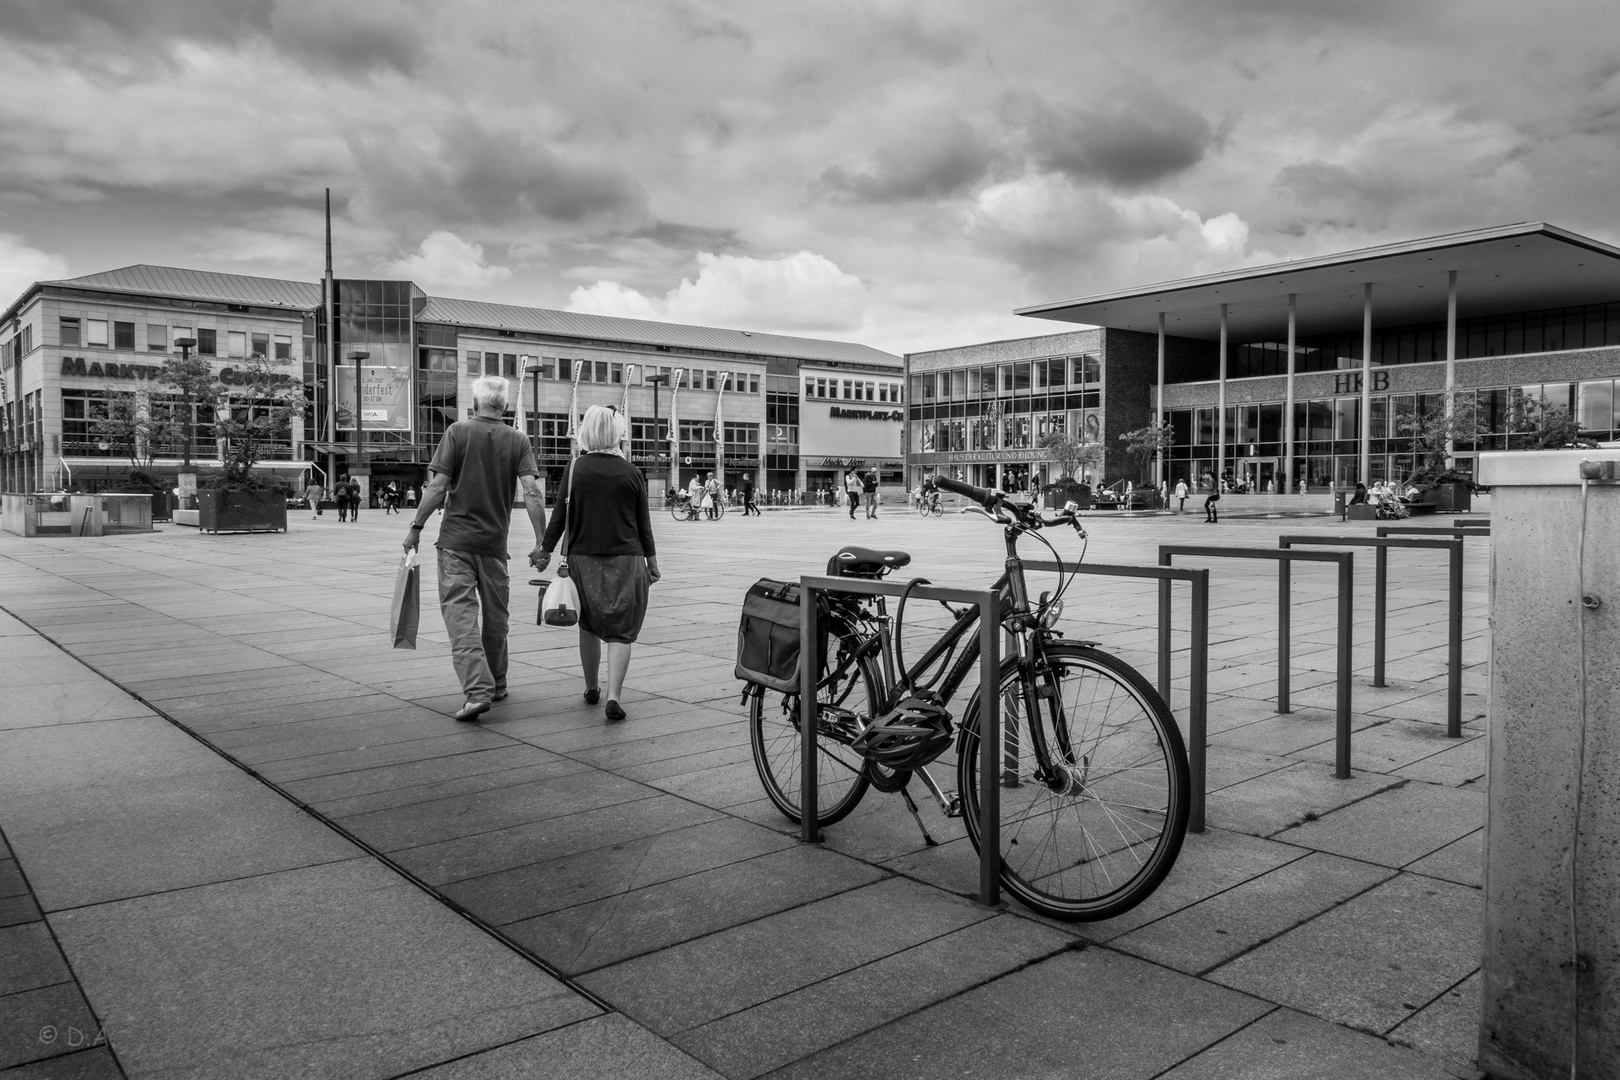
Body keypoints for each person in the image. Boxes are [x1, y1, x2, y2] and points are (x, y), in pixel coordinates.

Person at [402, 375, 545, 723]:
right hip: (494, 547)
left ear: (474, 403)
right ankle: (496, 684)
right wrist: (542, 542)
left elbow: (437, 487)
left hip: (455, 544)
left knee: (461, 619)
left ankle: (477, 692)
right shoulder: (519, 440)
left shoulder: (457, 432)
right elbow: (532, 492)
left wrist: (416, 527)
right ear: (504, 405)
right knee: (497, 619)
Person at [535, 406, 660, 722]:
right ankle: (614, 696)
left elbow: (559, 517)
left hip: (583, 558)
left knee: (588, 624)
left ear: (586, 432)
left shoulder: (575, 468)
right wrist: (653, 563)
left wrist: (545, 550)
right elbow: (643, 524)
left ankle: (591, 688)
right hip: (627, 559)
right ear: (616, 433)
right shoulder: (632, 473)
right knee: (621, 631)